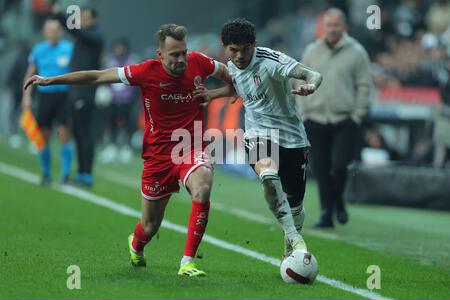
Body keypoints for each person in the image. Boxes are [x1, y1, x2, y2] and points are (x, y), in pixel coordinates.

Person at [24, 23, 231, 276]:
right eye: (174, 55)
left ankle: (187, 262)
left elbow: (233, 78)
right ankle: (137, 245)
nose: (182, 59)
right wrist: (52, 79)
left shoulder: (201, 62)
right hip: (157, 155)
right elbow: (98, 76)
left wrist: (214, 93)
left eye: (184, 52)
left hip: (191, 146)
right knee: (150, 225)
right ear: (160, 55)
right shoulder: (144, 71)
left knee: (202, 187)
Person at [194, 18, 322, 258]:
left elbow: (313, 74)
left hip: (293, 137)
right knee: (268, 175)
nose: (240, 55)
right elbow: (236, 85)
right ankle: (295, 239)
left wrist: (311, 86)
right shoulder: (230, 64)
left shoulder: (272, 61)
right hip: (257, 132)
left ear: (254, 44)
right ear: (225, 47)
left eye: (245, 49)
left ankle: (289, 248)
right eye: (234, 50)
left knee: (295, 204)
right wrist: (213, 94)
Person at [300, 8, 373, 228]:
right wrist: (303, 113)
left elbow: (364, 85)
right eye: (329, 25)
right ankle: (326, 214)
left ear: (344, 27)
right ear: (323, 27)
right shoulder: (312, 51)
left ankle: (338, 200)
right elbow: (299, 81)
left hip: (344, 120)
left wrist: (357, 114)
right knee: (321, 169)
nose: (332, 29)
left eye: (336, 25)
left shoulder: (357, 52)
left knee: (340, 166)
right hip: (315, 118)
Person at [52, 4, 104, 187]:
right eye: (82, 17)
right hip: (76, 91)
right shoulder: (85, 36)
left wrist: (58, 14)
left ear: (94, 19)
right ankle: (82, 174)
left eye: (86, 17)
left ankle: (86, 175)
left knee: (84, 133)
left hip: (85, 91)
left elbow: (76, 31)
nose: (83, 20)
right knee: (79, 133)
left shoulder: (95, 36)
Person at [22, 18, 74, 185]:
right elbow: (30, 72)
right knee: (43, 136)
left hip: (64, 96)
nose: (52, 33)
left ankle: (65, 175)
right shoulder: (38, 49)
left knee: (64, 134)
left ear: (60, 32)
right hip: (45, 96)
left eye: (55, 30)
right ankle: (46, 173)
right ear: (45, 32)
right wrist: (26, 96)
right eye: (49, 30)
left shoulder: (69, 48)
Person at [98, 39, 139, 164]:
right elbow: (104, 76)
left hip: (127, 98)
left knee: (128, 123)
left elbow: (136, 77)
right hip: (113, 98)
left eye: (121, 47)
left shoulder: (133, 59)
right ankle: (112, 147)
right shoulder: (109, 60)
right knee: (111, 123)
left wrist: (134, 95)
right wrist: (103, 90)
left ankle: (126, 148)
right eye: (117, 47)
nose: (119, 50)